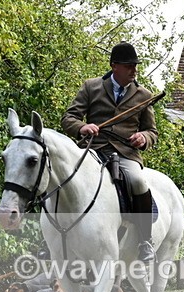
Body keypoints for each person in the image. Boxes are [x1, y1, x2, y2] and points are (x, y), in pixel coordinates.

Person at [61, 42, 158, 262]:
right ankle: (53, 239)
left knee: (139, 181)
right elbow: (69, 118)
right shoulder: (91, 87)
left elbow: (152, 131)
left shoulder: (144, 95)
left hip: (125, 152)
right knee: (64, 178)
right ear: (115, 66)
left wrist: (143, 138)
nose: (134, 70)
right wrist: (82, 127)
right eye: (129, 66)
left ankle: (145, 240)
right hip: (92, 148)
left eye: (135, 66)